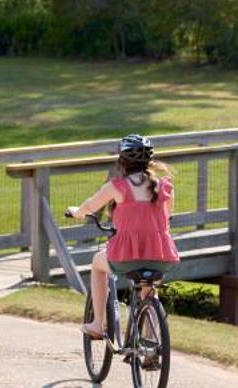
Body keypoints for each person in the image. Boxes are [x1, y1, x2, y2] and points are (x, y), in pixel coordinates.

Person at [66, 134, 181, 337]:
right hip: (161, 256)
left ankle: (97, 324)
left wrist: (76, 212)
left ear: (122, 160)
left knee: (98, 265)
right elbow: (167, 217)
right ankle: (152, 342)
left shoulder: (117, 186)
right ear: (150, 161)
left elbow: (90, 206)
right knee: (149, 289)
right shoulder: (164, 186)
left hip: (126, 257)